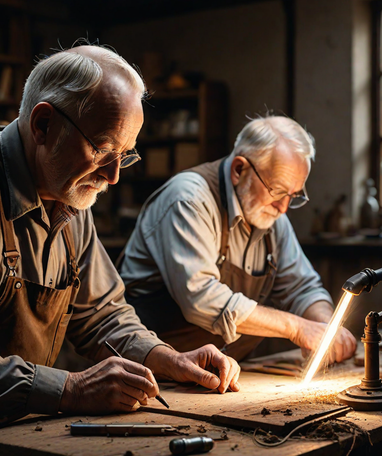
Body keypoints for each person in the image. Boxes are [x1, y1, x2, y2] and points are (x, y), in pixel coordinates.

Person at [0, 44, 241, 456]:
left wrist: (167, 358)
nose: (114, 176)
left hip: (14, 437)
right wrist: (71, 388)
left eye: (126, 154)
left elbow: (102, 314)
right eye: (104, 149)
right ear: (43, 125)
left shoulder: (69, 193)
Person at [120, 116, 357, 363]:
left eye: (293, 194)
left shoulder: (271, 215)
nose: (284, 207)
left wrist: (324, 328)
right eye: (277, 190)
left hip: (217, 375)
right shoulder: (188, 200)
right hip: (150, 372)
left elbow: (301, 287)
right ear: (239, 169)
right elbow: (201, 298)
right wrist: (298, 328)